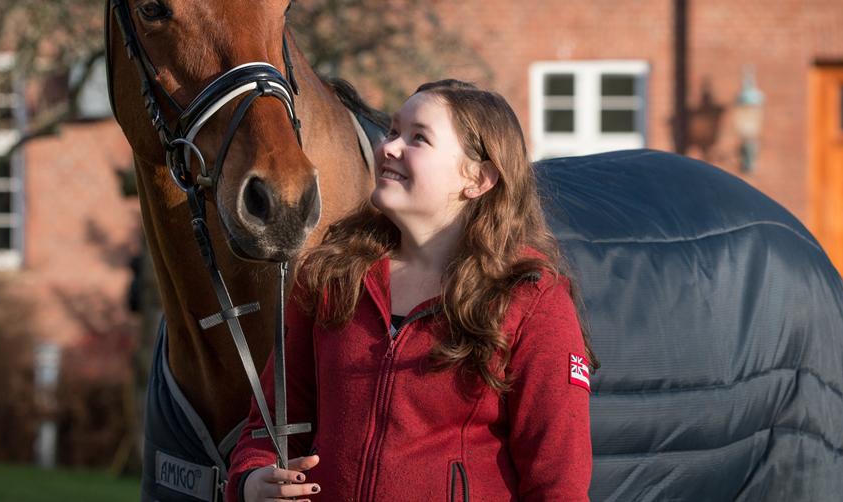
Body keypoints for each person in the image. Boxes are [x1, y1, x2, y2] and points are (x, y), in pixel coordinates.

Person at [228, 80, 596, 501]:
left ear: (478, 178)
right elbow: (271, 424)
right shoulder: (331, 275)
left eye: (418, 138)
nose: (389, 148)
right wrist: (250, 481)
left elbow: (557, 483)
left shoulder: (530, 299)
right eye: (392, 131)